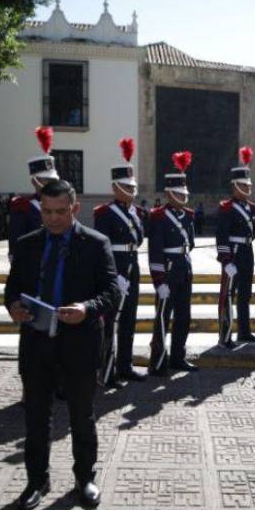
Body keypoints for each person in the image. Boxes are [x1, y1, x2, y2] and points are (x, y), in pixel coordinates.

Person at [6, 179, 120, 510]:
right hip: (36, 342)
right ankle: (36, 481)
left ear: (74, 208)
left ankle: (85, 478)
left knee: (81, 415)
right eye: (46, 211)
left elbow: (112, 292)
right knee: (36, 418)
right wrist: (13, 305)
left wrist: (87, 309)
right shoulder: (28, 244)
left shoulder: (96, 244)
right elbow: (12, 287)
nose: (53, 218)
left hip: (79, 343)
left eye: (60, 212)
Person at [93, 137, 146, 386]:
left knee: (129, 319)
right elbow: (102, 248)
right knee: (111, 321)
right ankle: (108, 370)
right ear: (115, 188)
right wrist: (115, 276)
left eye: (133, 187)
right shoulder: (104, 213)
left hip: (132, 266)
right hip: (116, 270)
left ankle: (125, 365)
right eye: (127, 187)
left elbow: (139, 239)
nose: (132, 191)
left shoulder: (135, 213)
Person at [148, 153, 198, 374]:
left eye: (183, 192)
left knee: (183, 317)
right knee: (162, 319)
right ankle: (158, 361)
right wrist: (159, 281)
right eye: (178, 193)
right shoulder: (158, 216)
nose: (182, 196)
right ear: (169, 193)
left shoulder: (188, 216)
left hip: (184, 269)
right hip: (167, 272)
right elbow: (155, 251)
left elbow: (192, 243)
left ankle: (178, 357)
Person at [215, 146, 255, 346]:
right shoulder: (226, 208)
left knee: (245, 293)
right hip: (233, 253)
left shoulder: (251, 207)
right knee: (228, 295)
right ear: (234, 186)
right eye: (243, 185)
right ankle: (225, 335)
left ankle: (244, 331)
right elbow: (222, 236)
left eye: (248, 185)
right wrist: (226, 260)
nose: (247, 188)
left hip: (247, 251)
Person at [8, 126, 59, 261]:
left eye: (52, 180)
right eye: (46, 180)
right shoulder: (23, 206)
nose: (50, 183)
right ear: (34, 181)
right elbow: (16, 240)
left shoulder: (62, 204)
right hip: (33, 262)